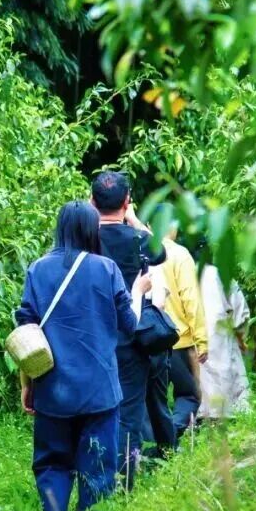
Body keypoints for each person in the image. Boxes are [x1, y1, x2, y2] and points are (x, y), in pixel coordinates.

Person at [16, 201, 151, 511]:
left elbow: (27, 330)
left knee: (52, 463)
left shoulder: (38, 269)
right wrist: (138, 292)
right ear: (91, 230)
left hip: (52, 389)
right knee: (98, 465)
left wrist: (28, 383)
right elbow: (129, 325)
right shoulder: (106, 269)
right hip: (99, 390)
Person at [89, 171, 174, 482]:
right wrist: (135, 220)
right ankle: (124, 482)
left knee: (91, 409)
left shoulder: (84, 240)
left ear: (91, 201)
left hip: (90, 336)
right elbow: (160, 252)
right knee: (128, 412)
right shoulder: (137, 239)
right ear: (127, 202)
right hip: (130, 336)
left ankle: (92, 475)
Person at [158, 224, 207, 438]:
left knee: (152, 398)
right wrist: (201, 339)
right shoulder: (179, 254)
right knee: (189, 395)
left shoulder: (138, 249)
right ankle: (170, 436)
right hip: (178, 340)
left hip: (147, 339)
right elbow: (190, 299)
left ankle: (151, 445)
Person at [197, 264, 251, 420]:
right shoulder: (220, 273)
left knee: (202, 376)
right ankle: (231, 415)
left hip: (194, 335)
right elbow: (240, 310)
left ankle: (204, 415)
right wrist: (241, 338)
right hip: (220, 333)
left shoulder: (185, 268)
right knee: (229, 374)